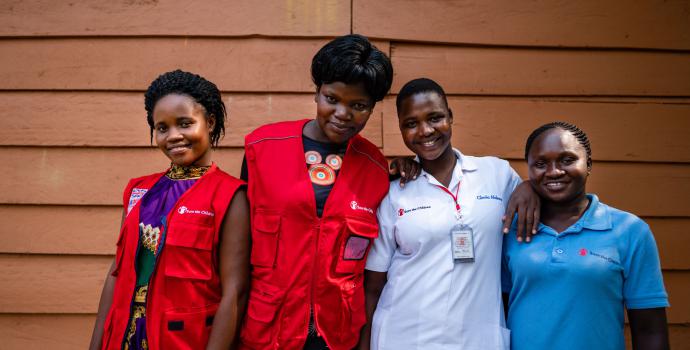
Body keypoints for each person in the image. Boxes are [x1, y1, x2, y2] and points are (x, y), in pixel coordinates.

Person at [237, 34, 393, 350]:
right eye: (331, 98)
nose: (342, 113)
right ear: (317, 92)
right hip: (267, 330)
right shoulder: (263, 148)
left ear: (372, 108)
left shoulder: (376, 167)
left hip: (336, 335)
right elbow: (238, 253)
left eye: (358, 105)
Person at [362, 78, 531, 349]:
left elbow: (534, 202)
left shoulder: (497, 174)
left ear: (450, 117)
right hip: (403, 337)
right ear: (402, 129)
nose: (425, 130)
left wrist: (529, 186)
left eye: (435, 118)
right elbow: (373, 286)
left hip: (477, 339)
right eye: (411, 123)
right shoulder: (395, 191)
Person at [88, 70, 250, 350]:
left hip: (183, 340)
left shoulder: (230, 196)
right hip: (125, 337)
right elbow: (116, 272)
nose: (174, 136)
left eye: (185, 124)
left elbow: (234, 293)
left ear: (210, 122)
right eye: (162, 128)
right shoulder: (138, 190)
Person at [502, 121, 670, 350]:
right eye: (541, 164)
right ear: (529, 170)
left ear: (588, 164)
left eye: (567, 160)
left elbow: (650, 330)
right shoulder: (512, 230)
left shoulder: (629, 231)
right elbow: (497, 312)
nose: (554, 171)